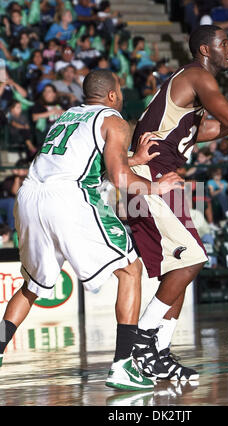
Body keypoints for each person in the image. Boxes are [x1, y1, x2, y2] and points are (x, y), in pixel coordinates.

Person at [0, 69, 183, 392]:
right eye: (121, 90)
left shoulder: (67, 116)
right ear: (111, 95)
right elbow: (119, 179)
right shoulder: (115, 120)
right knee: (130, 269)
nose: (122, 95)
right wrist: (157, 186)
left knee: (32, 286)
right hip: (68, 198)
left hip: (29, 196)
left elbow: (80, 158)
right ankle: (124, 366)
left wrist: (132, 157)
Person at [126, 25, 228, 381]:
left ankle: (158, 354)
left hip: (164, 179)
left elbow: (210, 130)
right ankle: (140, 345)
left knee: (184, 268)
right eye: (224, 44)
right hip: (150, 178)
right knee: (194, 260)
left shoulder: (191, 92)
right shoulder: (196, 75)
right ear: (205, 50)